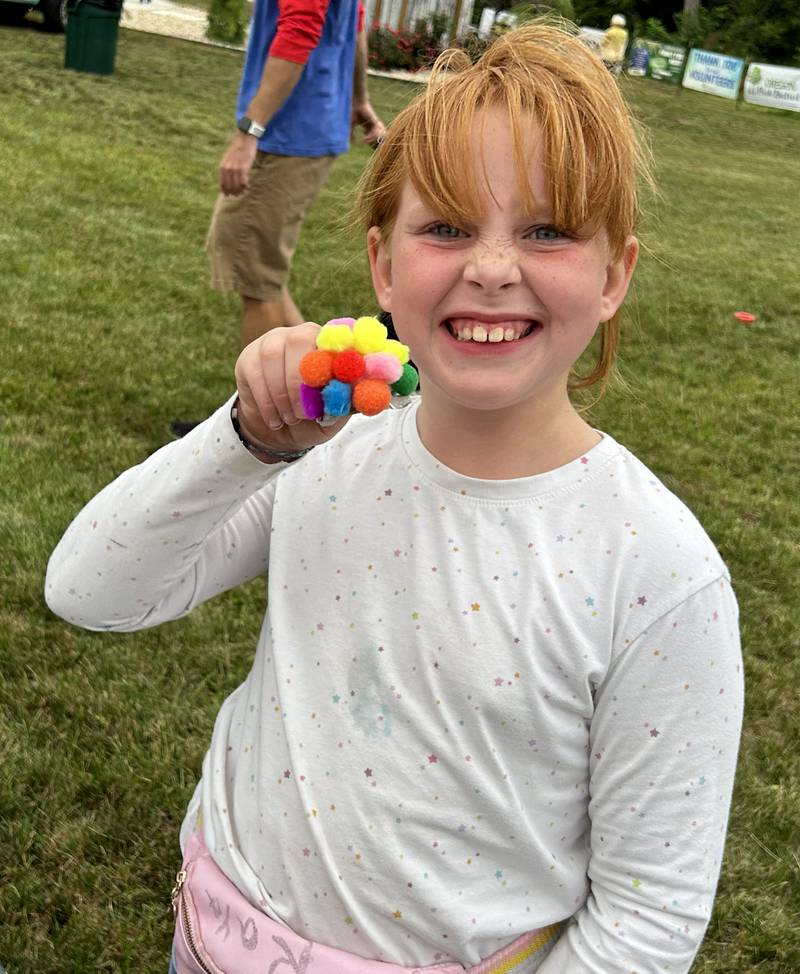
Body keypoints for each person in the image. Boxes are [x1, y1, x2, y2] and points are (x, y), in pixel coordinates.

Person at [46, 22, 743, 974]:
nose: (492, 268)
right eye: (447, 226)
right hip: (214, 935)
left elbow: (649, 915)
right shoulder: (328, 454)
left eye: (546, 231)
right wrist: (247, 440)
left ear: (616, 275)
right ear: (382, 266)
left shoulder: (656, 567)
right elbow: (91, 592)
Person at [209, 0, 385, 352]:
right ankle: (330, 372)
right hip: (309, 126)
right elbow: (355, 26)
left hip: (287, 133)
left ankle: (268, 405)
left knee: (257, 280)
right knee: (259, 271)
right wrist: (358, 98)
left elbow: (300, 29)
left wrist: (249, 133)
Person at [601, 13, 629, 78]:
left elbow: (603, 43)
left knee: (604, 73)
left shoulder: (609, 31)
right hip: (618, 57)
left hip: (607, 56)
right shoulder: (624, 33)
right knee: (612, 74)